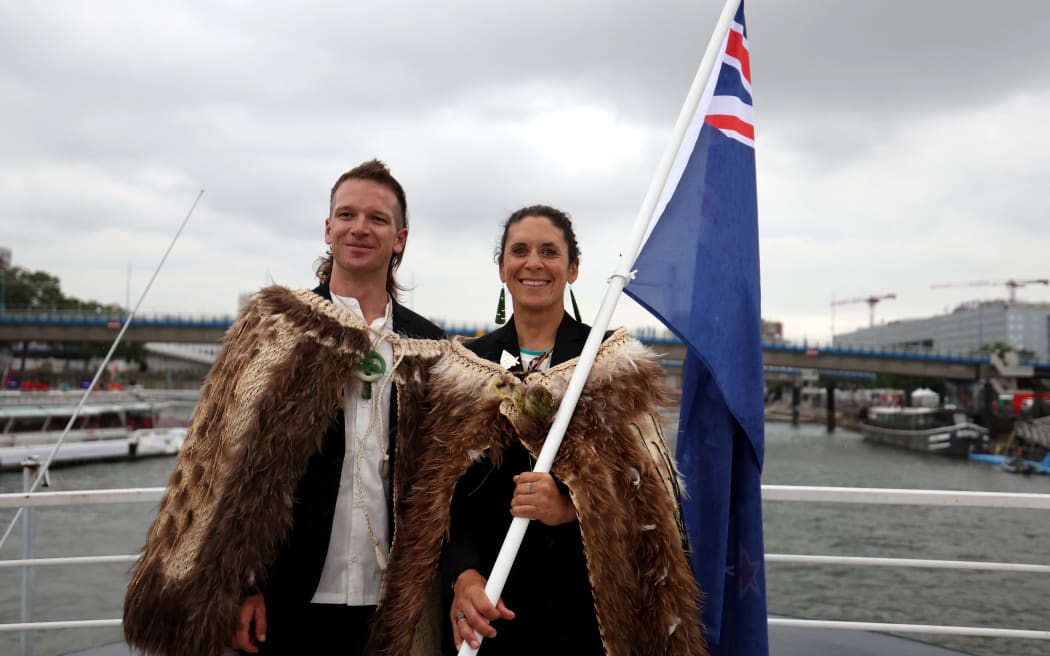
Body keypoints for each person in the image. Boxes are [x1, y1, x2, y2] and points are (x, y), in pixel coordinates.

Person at [122, 160, 446, 656]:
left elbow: (441, 477)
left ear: (399, 238)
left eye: (377, 219)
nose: (360, 228)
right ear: (328, 228)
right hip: (286, 594)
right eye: (347, 215)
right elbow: (223, 461)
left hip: (393, 600)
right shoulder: (276, 324)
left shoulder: (429, 345)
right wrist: (244, 584)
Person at [359, 205, 705, 654]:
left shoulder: (611, 364)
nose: (533, 263)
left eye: (549, 252)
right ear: (503, 268)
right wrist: (463, 578)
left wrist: (571, 504)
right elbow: (439, 498)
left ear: (573, 268)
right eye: (519, 251)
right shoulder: (464, 366)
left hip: (588, 615)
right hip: (488, 615)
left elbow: (651, 497)